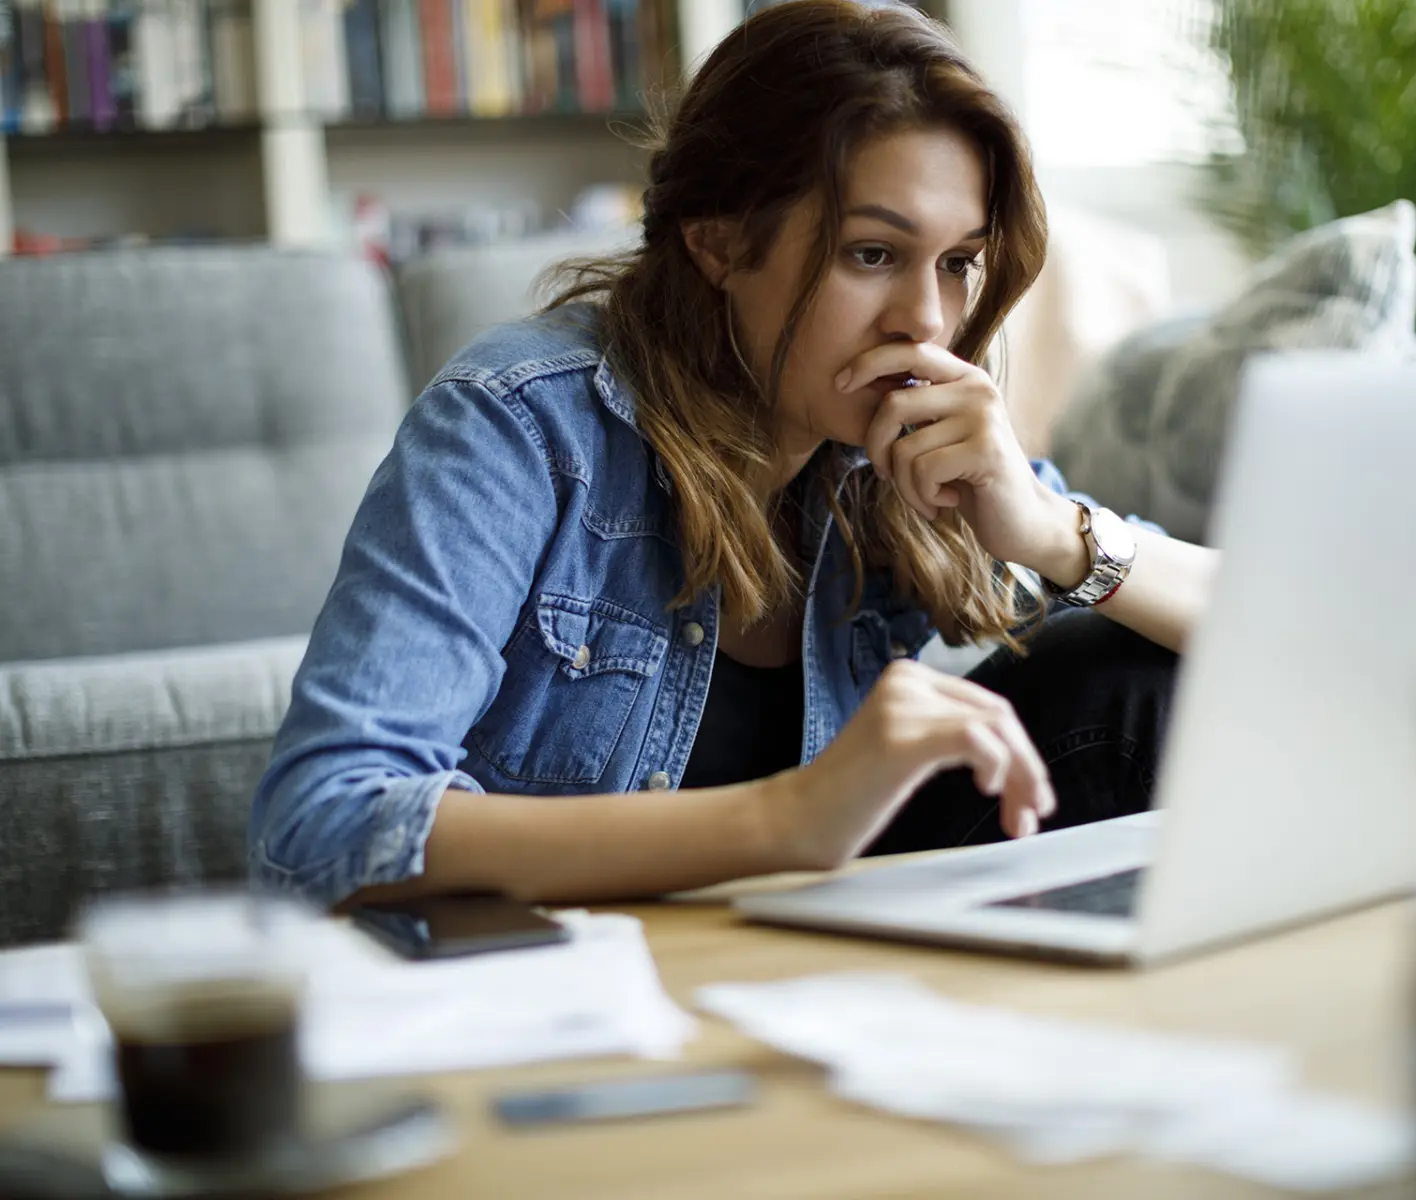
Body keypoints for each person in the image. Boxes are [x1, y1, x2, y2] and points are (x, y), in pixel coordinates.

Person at [249, 0, 1219, 912]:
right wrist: (790, 820)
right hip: (578, 972)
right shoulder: (519, 424)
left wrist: (1053, 534)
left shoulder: (890, 446)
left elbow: (1260, 632)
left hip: (802, 951)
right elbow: (321, 823)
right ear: (717, 239)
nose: (926, 318)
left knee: (1125, 671)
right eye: (871, 254)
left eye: (957, 263)